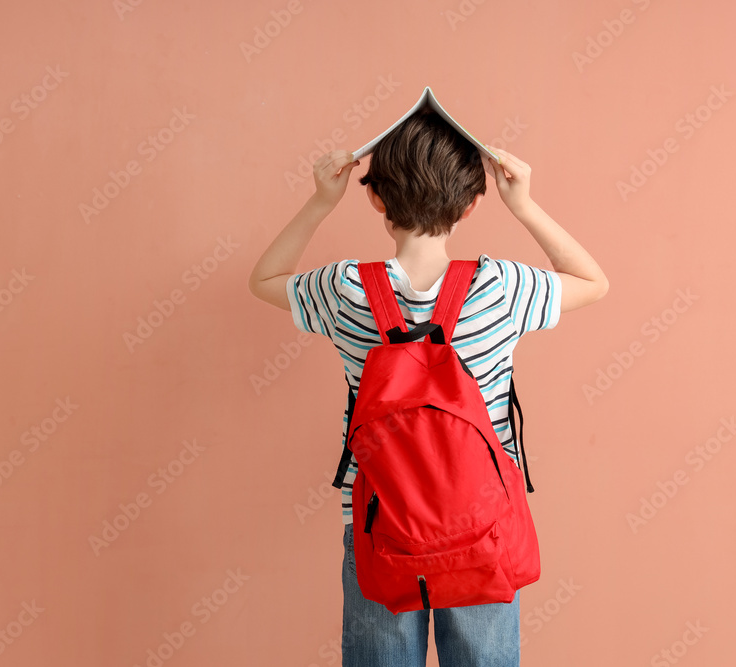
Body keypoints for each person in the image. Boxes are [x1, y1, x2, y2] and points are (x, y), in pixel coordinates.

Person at [248, 108, 609, 667]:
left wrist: (321, 201)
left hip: (380, 524)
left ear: (376, 200)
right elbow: (592, 280)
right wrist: (525, 204)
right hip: (484, 524)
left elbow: (265, 279)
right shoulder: (501, 286)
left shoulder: (345, 289)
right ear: (470, 204)